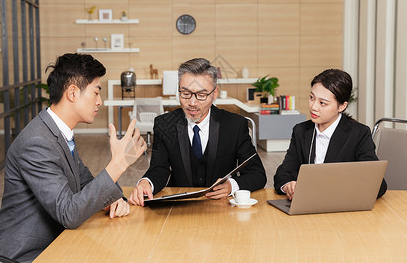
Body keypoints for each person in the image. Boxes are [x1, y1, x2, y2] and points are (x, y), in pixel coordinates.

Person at [0, 53, 146, 262]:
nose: (100, 101)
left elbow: (86, 182)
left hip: (58, 244)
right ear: (72, 93)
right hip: (26, 255)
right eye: (96, 92)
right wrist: (119, 164)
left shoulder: (59, 133)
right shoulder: (37, 142)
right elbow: (68, 214)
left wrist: (113, 199)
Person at [129, 58, 267, 206]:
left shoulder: (235, 125)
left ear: (214, 94)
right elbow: (159, 168)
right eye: (185, 94)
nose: (192, 103)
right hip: (179, 207)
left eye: (202, 95)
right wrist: (146, 182)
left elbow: (257, 173)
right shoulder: (164, 124)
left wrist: (231, 185)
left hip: (222, 208)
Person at [273, 69, 387, 200]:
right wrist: (288, 186)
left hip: (341, 207)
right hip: (307, 205)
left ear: (342, 106)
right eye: (311, 98)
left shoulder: (359, 134)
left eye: (322, 103)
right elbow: (283, 173)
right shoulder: (301, 131)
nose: (313, 107)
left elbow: (378, 185)